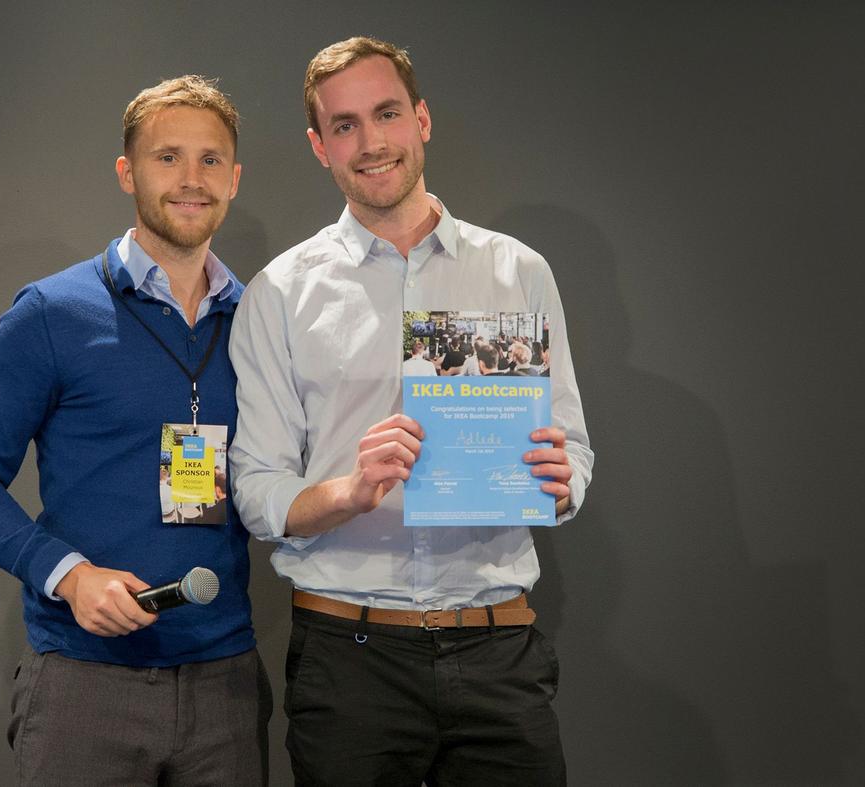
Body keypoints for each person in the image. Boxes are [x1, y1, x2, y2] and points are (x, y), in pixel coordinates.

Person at [229, 37, 593, 786]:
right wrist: (348, 491)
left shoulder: (518, 270)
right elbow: (256, 488)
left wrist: (562, 480)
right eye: (345, 125)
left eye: (387, 113)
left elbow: (574, 446)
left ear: (421, 120)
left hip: (498, 649)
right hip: (348, 657)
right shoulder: (280, 292)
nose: (371, 142)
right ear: (318, 145)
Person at [0, 75, 270, 786]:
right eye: (167, 157)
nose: (190, 179)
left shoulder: (260, 321)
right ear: (127, 172)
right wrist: (69, 575)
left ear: (234, 179)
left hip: (226, 686)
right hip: (86, 683)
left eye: (211, 160)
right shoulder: (52, 312)